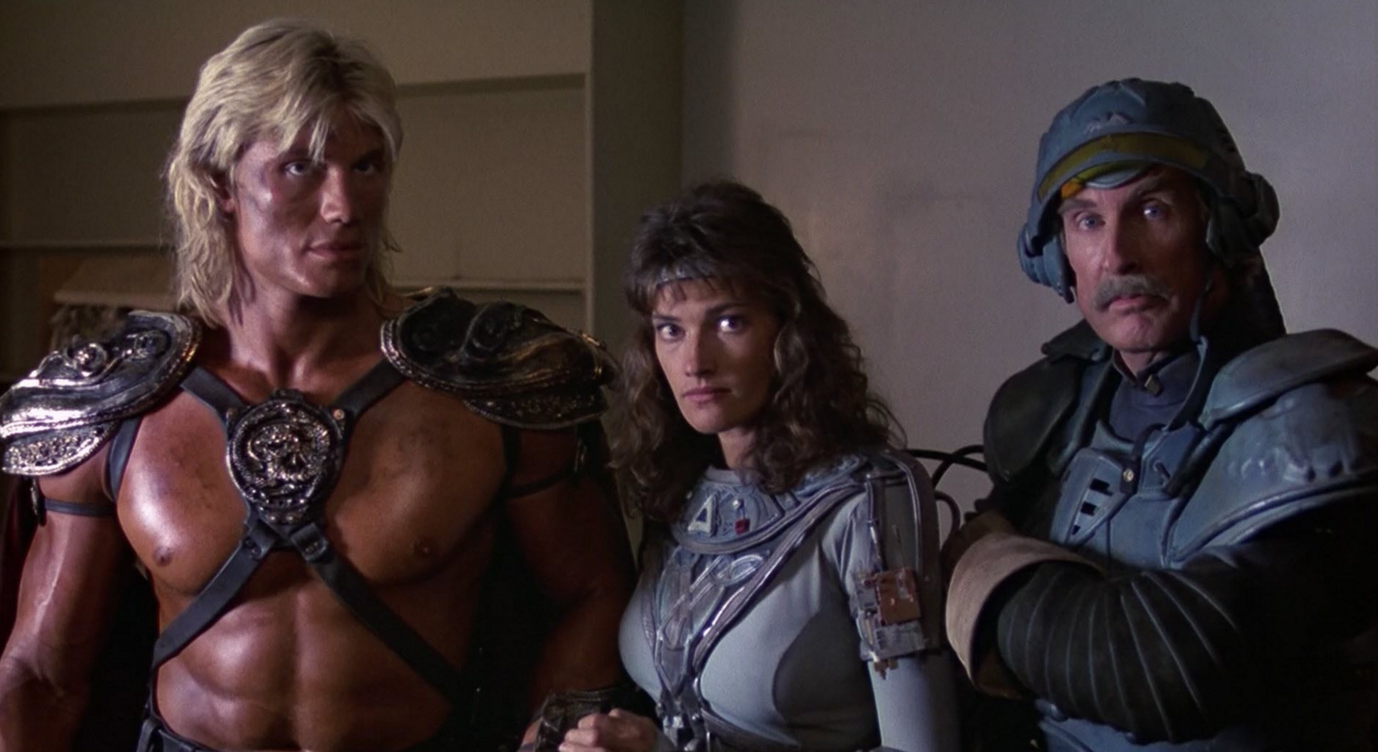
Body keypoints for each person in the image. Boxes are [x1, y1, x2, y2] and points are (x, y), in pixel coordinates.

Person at [0, 19, 635, 752]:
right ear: (220, 183)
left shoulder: (486, 387)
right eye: (300, 167)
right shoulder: (121, 407)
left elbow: (592, 595)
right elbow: (43, 675)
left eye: (366, 166)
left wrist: (548, 739)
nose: (344, 206)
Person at [943, 78, 1378, 751]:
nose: (1117, 255)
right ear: (1059, 254)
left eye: (1152, 210)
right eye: (1087, 220)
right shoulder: (1051, 408)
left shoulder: (1313, 426)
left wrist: (983, 585)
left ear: (1217, 227)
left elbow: (1170, 669)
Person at [560, 180, 961, 752]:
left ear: (787, 331)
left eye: (729, 323)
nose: (695, 361)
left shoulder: (867, 498)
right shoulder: (678, 485)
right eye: (671, 330)